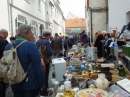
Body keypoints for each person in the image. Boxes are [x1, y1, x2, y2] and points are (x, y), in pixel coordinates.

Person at [4, 24, 45, 97]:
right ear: (27, 33)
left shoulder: (8, 46)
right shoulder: (31, 46)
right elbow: (38, 66)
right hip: (30, 82)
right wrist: (42, 83)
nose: (32, 34)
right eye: (31, 32)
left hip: (15, 81)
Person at [36, 31, 52, 96]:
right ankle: (45, 89)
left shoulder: (37, 41)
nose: (50, 37)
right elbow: (50, 52)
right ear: (47, 35)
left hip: (39, 60)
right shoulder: (47, 42)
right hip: (46, 61)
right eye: (50, 36)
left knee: (40, 74)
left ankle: (40, 88)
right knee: (46, 74)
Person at [0, 29, 8, 97]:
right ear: (4, 33)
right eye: (7, 34)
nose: (7, 35)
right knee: (2, 83)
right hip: (2, 64)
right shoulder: (4, 42)